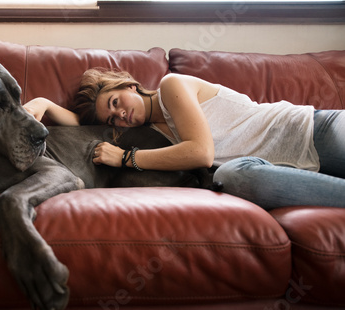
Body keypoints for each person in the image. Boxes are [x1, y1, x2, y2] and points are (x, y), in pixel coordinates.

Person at [24, 68, 345, 209]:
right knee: (231, 177)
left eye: (116, 103)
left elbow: (202, 153)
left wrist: (125, 158)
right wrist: (44, 104)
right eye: (112, 118)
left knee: (219, 169)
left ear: (129, 85)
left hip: (314, 131)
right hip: (277, 169)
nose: (120, 115)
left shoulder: (171, 86)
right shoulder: (158, 133)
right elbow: (83, 124)